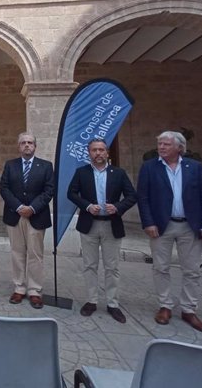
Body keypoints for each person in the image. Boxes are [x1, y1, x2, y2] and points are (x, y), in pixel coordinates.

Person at [137, 130, 202, 333]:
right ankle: (165, 305)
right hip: (162, 225)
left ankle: (189, 309)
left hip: (190, 225)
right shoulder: (149, 167)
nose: (161, 147)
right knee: (160, 267)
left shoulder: (195, 168)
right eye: (160, 144)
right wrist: (148, 222)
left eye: (166, 144)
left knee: (191, 269)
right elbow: (143, 197)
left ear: (180, 147)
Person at [67, 138, 137, 323]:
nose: (98, 153)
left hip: (111, 224)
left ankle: (113, 303)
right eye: (94, 150)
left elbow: (132, 196)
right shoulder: (82, 172)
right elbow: (71, 193)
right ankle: (91, 300)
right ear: (89, 153)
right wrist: (87, 206)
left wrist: (118, 207)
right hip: (89, 224)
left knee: (112, 267)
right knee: (90, 265)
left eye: (101, 150)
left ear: (107, 153)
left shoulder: (119, 173)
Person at [0, 132, 54, 309]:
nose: (27, 145)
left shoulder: (46, 166)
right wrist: (18, 207)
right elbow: (4, 189)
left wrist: (32, 208)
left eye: (30, 142)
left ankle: (35, 290)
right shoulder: (10, 165)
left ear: (35, 146)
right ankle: (19, 288)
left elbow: (49, 190)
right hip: (15, 216)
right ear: (19, 146)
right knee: (17, 253)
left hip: (36, 216)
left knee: (35, 255)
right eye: (23, 143)